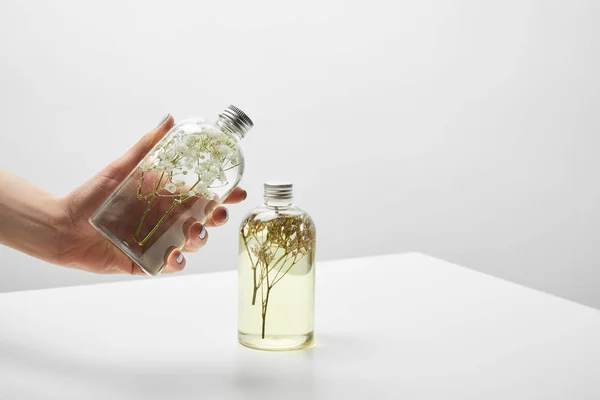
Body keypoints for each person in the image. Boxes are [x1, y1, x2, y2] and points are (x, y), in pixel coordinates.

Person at [0, 114, 247, 275]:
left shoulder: (224, 153)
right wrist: (63, 226)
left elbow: (65, 227)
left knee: (185, 219)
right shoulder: (194, 129)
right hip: (101, 224)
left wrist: (63, 228)